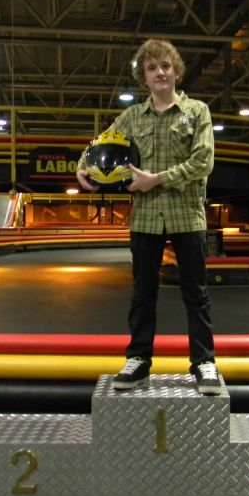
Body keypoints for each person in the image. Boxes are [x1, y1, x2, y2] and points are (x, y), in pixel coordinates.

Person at [76, 38, 221, 395]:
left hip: (187, 216)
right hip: (145, 219)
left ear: (177, 72)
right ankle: (138, 359)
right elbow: (101, 143)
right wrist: (83, 167)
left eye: (166, 66)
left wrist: (156, 179)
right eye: (152, 67)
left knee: (196, 294)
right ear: (144, 77)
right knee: (142, 294)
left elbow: (203, 162)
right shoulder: (131, 117)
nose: (160, 72)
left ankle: (204, 362)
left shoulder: (197, 112)